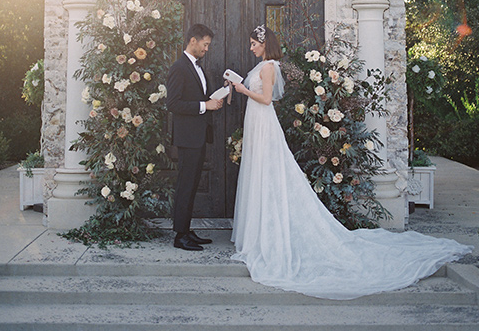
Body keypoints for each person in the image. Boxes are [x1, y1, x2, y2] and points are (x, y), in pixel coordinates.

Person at [230, 24, 473, 299]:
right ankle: (260, 231)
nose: (251, 48)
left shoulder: (268, 67)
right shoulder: (261, 66)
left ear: (264, 44)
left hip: (264, 123)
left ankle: (270, 234)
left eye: (253, 43)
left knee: (268, 173)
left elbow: (265, 99)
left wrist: (242, 90)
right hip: (256, 124)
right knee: (260, 174)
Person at [167, 23, 223, 251]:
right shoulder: (179, 67)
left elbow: (200, 96)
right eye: (205, 44)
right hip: (187, 138)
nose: (207, 49)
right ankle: (180, 236)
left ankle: (186, 229)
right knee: (185, 185)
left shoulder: (197, 67)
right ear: (193, 41)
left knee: (191, 186)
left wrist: (217, 97)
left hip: (198, 137)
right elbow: (173, 104)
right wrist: (204, 106)